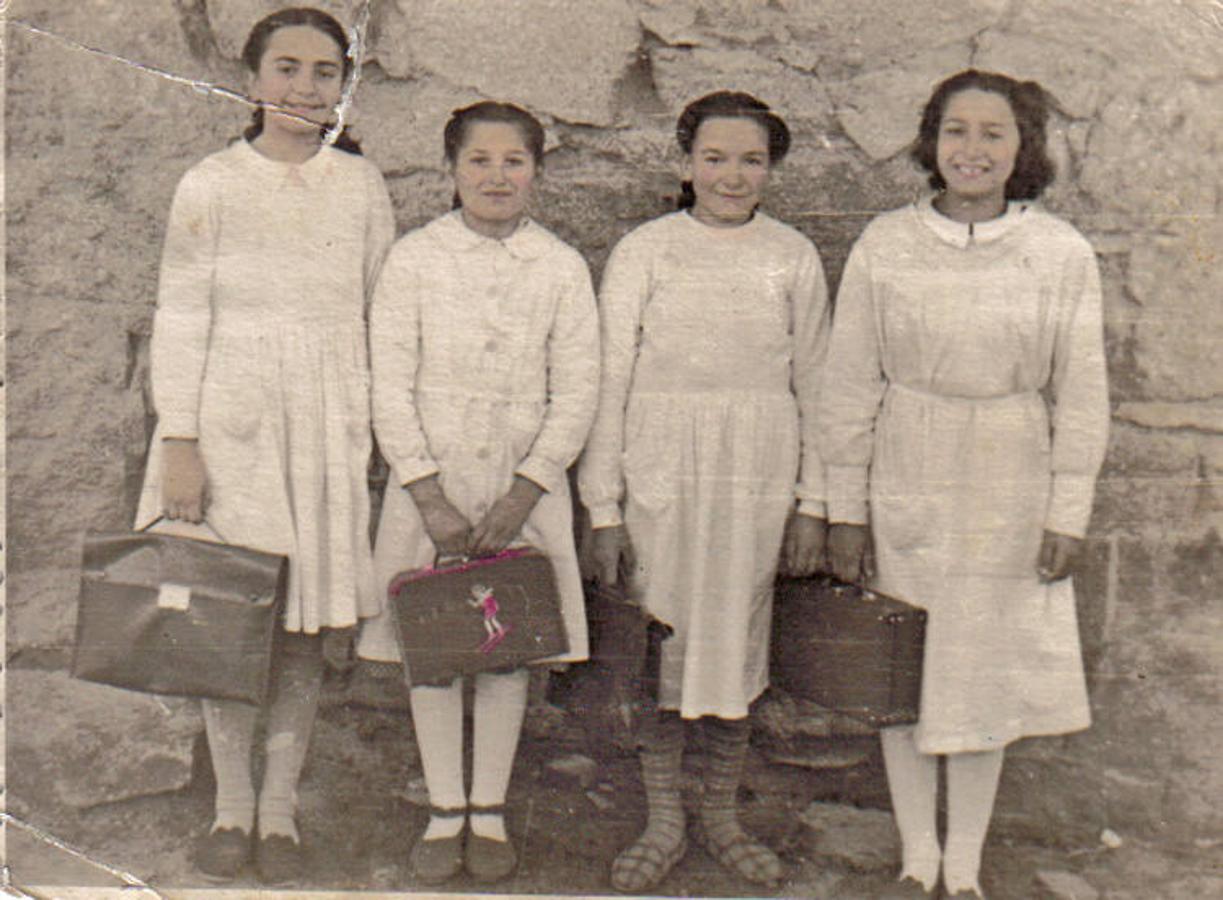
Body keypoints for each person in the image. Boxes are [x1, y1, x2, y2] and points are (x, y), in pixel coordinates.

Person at [820, 70, 1109, 899]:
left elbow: (1082, 392)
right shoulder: (886, 242)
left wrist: (1068, 511)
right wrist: (845, 510)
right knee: (902, 664)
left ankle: (965, 864)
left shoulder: (1057, 252)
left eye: (992, 134)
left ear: (1021, 150)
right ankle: (916, 858)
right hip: (907, 461)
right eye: (955, 131)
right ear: (930, 140)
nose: (970, 151)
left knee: (981, 664)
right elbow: (848, 384)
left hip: (1009, 469)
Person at [135, 7, 395, 886]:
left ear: (343, 87)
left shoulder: (359, 188)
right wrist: (181, 439)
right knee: (225, 617)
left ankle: (279, 811)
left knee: (297, 630)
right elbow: (182, 313)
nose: (303, 88)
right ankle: (230, 806)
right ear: (251, 82)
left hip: (320, 426)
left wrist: (367, 434)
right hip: (229, 421)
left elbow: (376, 315)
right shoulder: (210, 182)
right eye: (285, 69)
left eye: (324, 73)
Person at [579, 91, 830, 892]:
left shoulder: (791, 256)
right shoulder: (645, 250)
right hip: (661, 475)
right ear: (685, 163)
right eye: (714, 157)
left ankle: (720, 815)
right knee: (660, 650)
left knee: (734, 648)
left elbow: (817, 387)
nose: (731, 174)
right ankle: (662, 817)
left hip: (753, 477)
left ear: (771, 167)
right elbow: (608, 380)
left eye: (750, 159)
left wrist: (811, 503)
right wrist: (605, 509)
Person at [355, 101, 599, 885]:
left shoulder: (559, 267)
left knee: (505, 647)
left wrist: (526, 491)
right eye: (479, 161)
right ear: (450, 171)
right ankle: (443, 808)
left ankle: (487, 808)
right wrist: (426, 492)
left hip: (523, 487)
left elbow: (578, 391)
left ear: (537, 171)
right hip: (433, 482)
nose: (496, 176)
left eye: (514, 161)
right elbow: (388, 384)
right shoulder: (415, 260)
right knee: (434, 643)